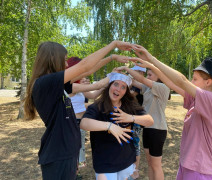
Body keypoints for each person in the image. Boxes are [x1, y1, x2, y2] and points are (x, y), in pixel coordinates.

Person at [24, 40, 134, 180]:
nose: (65, 65)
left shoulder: (55, 84)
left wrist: (112, 58)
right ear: (53, 59)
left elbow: (88, 71)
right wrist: (113, 45)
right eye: (64, 60)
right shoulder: (46, 83)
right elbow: (84, 66)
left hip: (66, 153)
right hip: (59, 155)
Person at [129, 44, 212, 180]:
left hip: (198, 172)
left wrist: (151, 58)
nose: (191, 82)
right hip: (187, 166)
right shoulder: (199, 100)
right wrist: (152, 64)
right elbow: (173, 84)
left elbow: (181, 80)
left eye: (195, 79)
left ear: (208, 82)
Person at [82, 72, 154, 180]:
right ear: (109, 86)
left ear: (125, 91)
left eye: (123, 87)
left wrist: (131, 118)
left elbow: (150, 120)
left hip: (126, 161)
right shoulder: (98, 106)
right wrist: (109, 126)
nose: (118, 89)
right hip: (105, 164)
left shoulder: (129, 105)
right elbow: (84, 123)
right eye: (115, 84)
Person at [116, 65, 170, 180]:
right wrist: (120, 73)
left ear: (159, 76)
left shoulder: (163, 87)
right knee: (150, 163)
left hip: (158, 130)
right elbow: (134, 81)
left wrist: (127, 68)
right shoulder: (148, 88)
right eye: (147, 75)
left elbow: (141, 80)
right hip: (148, 128)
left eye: (150, 75)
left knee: (156, 165)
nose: (147, 77)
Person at [66, 56, 109, 171]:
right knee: (73, 152)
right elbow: (95, 86)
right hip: (72, 123)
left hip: (80, 123)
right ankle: (73, 174)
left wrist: (104, 87)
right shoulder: (71, 86)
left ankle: (75, 173)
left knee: (78, 150)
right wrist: (110, 77)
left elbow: (93, 95)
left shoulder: (77, 86)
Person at [128, 65, 146, 180]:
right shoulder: (134, 82)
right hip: (130, 117)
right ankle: (131, 168)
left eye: (137, 71)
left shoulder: (139, 84)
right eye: (134, 71)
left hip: (137, 118)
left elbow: (130, 95)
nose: (134, 73)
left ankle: (135, 169)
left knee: (135, 143)